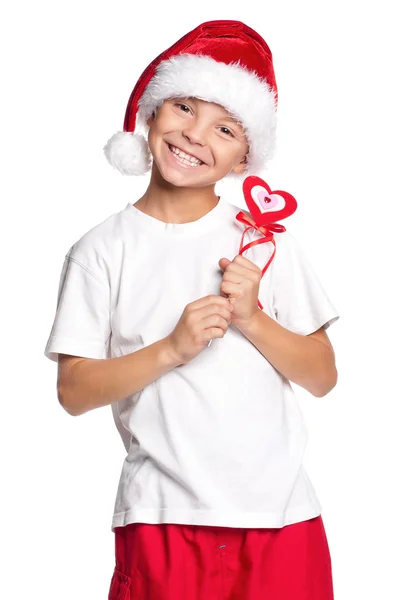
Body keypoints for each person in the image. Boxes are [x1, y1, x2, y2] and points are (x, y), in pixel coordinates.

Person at [44, 19, 340, 600]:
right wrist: (172, 349)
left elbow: (323, 376)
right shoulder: (99, 251)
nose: (195, 134)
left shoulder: (262, 240)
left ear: (242, 159)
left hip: (280, 517)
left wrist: (253, 319)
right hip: (161, 517)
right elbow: (73, 391)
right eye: (183, 107)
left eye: (225, 127)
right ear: (150, 114)